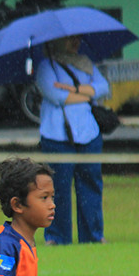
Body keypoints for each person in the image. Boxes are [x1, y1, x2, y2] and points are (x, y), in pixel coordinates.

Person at [35, 35, 109, 245]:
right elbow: (56, 96)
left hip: (88, 134)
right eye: (69, 39)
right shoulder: (46, 67)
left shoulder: (86, 64)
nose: (75, 42)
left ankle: (93, 236)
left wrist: (74, 90)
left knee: (91, 186)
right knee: (57, 188)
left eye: (77, 38)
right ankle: (57, 237)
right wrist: (88, 94)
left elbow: (103, 88)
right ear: (56, 41)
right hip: (57, 136)